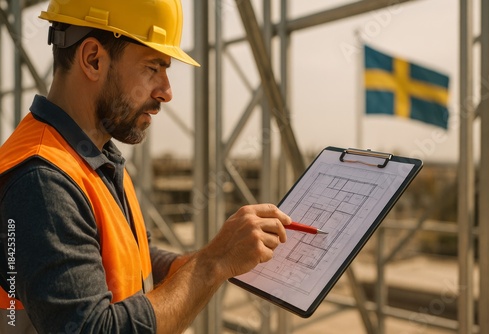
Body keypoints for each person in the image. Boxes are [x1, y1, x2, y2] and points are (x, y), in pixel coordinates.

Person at [0, 0, 291, 333]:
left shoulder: (95, 158)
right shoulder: (41, 180)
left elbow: (135, 259)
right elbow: (93, 328)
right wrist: (213, 263)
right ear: (93, 59)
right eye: (154, 67)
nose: (166, 92)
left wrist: (215, 258)